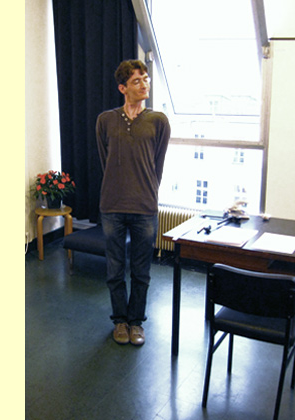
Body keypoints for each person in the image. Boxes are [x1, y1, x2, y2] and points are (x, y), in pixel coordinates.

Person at [96, 59, 170, 346]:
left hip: (144, 207)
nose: (144, 84)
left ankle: (136, 322)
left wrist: (147, 189)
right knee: (114, 269)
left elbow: (157, 165)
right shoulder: (105, 120)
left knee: (141, 271)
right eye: (136, 81)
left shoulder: (158, 121)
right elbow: (105, 160)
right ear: (122, 88)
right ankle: (120, 321)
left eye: (146, 79)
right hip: (112, 206)